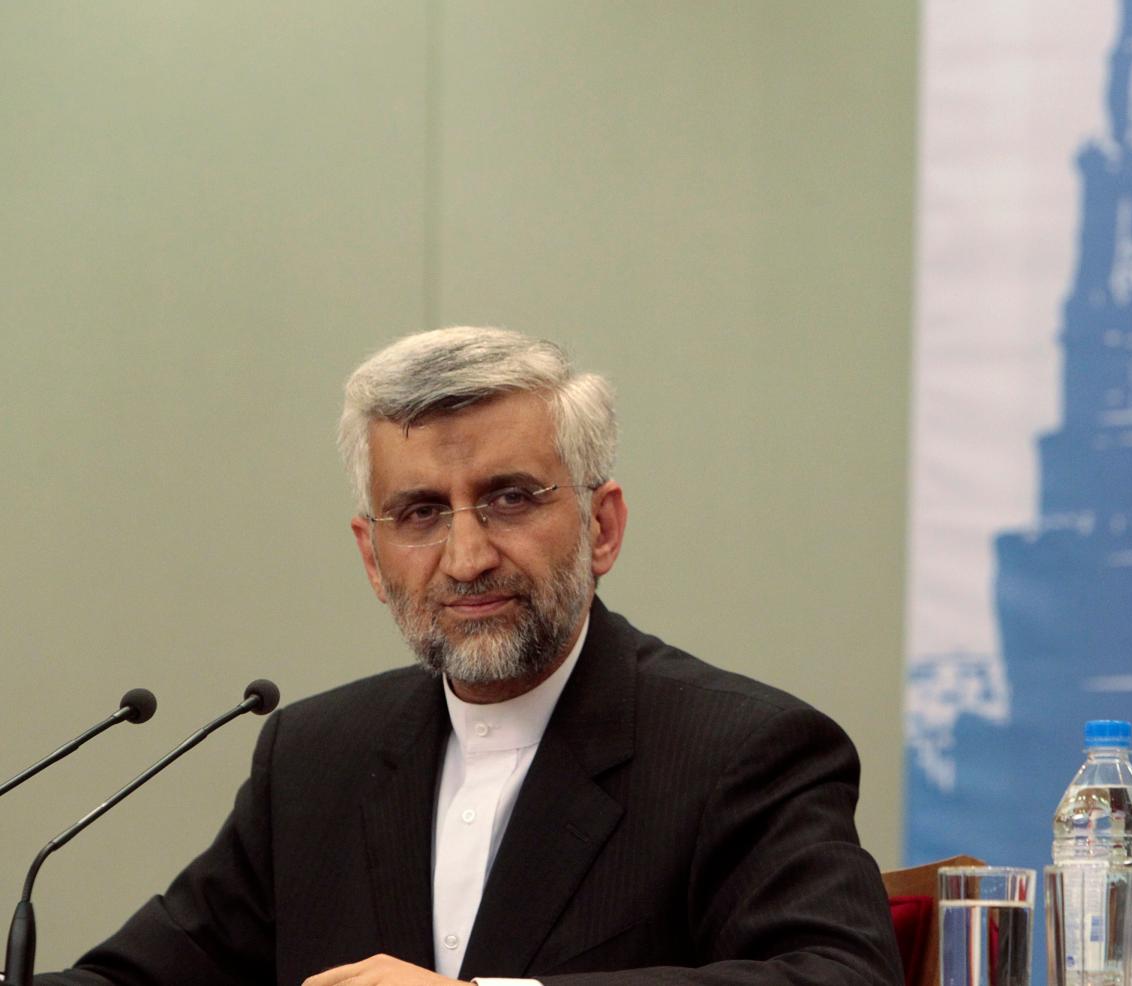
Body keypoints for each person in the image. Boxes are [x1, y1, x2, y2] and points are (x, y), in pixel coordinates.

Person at [38, 327, 903, 986]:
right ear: (372, 557)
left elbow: (838, 975)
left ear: (602, 527)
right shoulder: (315, 758)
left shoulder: (741, 751)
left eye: (510, 499)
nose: (466, 557)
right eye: (419, 513)